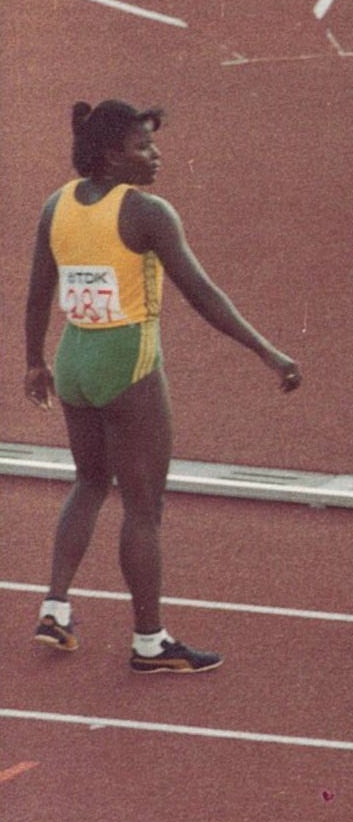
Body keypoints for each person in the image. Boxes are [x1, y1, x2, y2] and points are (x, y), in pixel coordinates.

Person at [24, 98, 301, 672]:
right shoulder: (147, 213)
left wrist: (33, 362)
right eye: (142, 147)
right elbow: (203, 294)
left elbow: (38, 291)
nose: (156, 155)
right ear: (110, 156)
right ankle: (149, 641)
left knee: (89, 481)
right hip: (128, 363)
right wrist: (266, 352)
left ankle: (55, 606)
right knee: (144, 509)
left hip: (73, 359)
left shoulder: (58, 204)